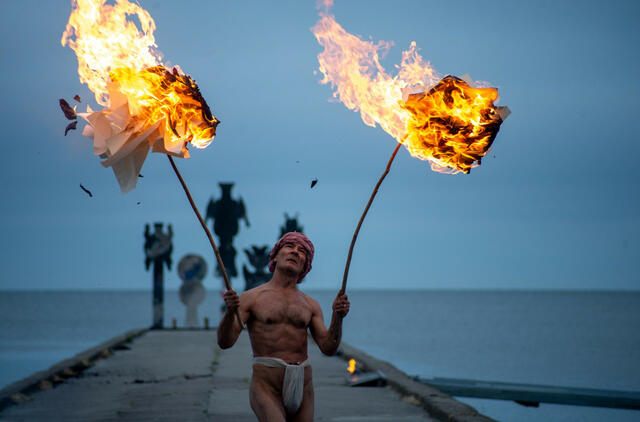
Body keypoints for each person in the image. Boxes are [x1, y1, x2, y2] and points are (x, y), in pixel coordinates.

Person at [217, 232, 350, 422]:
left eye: (302, 251)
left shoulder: (310, 305)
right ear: (275, 256)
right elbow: (225, 342)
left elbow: (328, 348)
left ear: (306, 266)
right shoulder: (251, 298)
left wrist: (338, 317)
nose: (295, 252)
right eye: (289, 247)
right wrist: (230, 313)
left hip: (303, 386)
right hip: (266, 385)